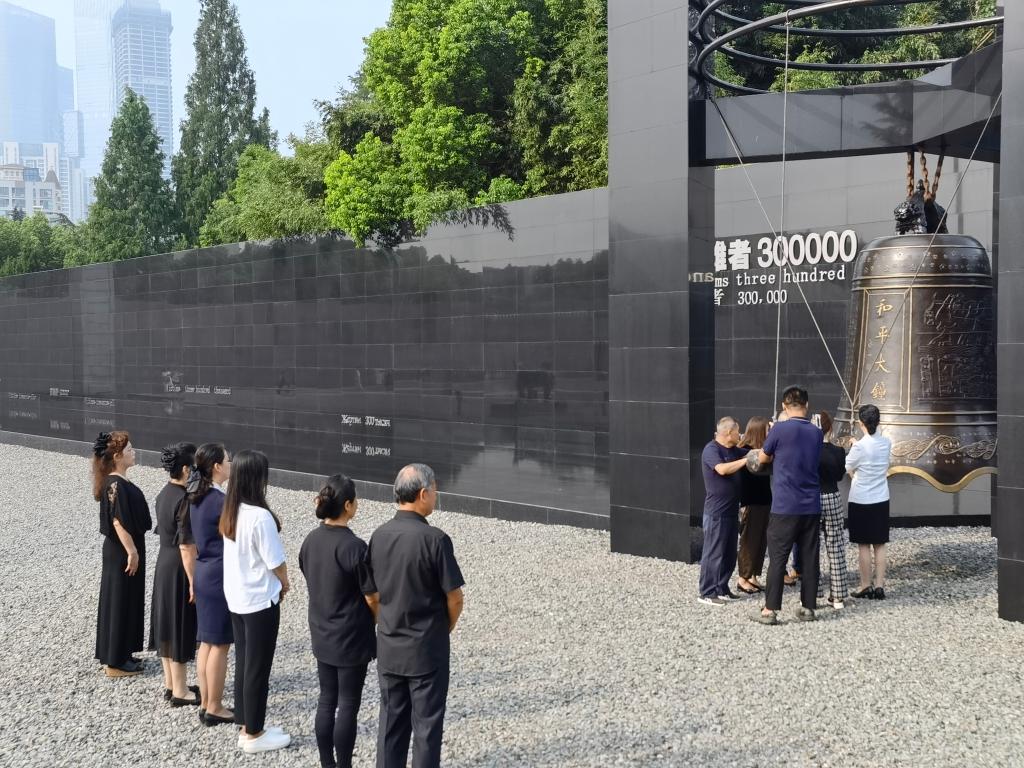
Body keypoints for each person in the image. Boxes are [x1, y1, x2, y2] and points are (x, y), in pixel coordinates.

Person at [364, 464, 465, 768]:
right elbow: (455, 598)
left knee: (391, 725)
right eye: (434, 490)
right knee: (427, 728)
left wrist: (385, 622)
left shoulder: (378, 536)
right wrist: (443, 629)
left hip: (390, 646)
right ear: (423, 494)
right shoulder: (436, 540)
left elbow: (371, 595)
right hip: (426, 649)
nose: (436, 495)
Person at [299, 474, 377, 768]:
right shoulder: (354, 547)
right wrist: (375, 619)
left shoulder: (311, 540)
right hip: (350, 636)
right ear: (347, 505)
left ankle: (326, 763)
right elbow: (372, 596)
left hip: (322, 630)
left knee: (326, 699)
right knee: (347, 704)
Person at [221, 450, 292, 754]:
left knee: (245, 662)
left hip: (238, 597)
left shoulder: (231, 509)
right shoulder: (259, 516)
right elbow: (276, 561)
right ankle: (254, 733)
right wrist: (285, 583)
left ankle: (246, 723)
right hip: (260, 600)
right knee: (258, 668)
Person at [756, 386, 823, 624]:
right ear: (807, 405)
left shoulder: (779, 429)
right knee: (810, 557)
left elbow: (763, 458)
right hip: (811, 505)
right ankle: (808, 607)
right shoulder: (817, 432)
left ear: (784, 406)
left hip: (785, 505)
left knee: (778, 558)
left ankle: (770, 610)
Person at [182, 443, 234, 725]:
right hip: (219, 574)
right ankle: (214, 705)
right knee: (220, 644)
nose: (230, 464)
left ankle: (206, 701)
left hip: (204, 571)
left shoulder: (197, 496)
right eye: (227, 460)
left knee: (206, 642)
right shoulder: (219, 500)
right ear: (216, 466)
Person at [94, 431, 152, 677]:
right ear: (117, 456)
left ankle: (123, 653)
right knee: (119, 599)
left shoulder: (117, 481)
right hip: (122, 551)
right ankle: (115, 662)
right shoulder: (115, 484)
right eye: (129, 450)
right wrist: (132, 551)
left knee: (127, 598)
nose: (133, 452)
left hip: (125, 549)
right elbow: (118, 521)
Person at [150, 442, 200, 704]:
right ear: (185, 469)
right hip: (179, 565)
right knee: (179, 623)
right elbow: (186, 545)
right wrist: (193, 580)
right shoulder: (184, 499)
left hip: (164, 563)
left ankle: (171, 683)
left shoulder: (164, 493)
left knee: (167, 622)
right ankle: (180, 691)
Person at [697, 417, 748, 605]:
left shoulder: (734, 450)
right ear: (728, 433)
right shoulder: (711, 450)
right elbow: (722, 469)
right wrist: (746, 461)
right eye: (737, 431)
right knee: (713, 553)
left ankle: (721, 587)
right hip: (716, 513)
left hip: (731, 511)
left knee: (728, 554)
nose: (739, 435)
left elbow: (753, 453)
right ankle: (707, 592)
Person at [846, 404, 893, 600]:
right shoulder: (886, 443)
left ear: (861, 423)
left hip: (861, 499)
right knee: (880, 544)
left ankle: (865, 585)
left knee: (864, 544)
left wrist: (854, 446)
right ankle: (880, 585)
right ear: (878, 422)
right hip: (881, 498)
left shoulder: (859, 447)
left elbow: (847, 467)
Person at [816, 412, 850, 609]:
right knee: (835, 545)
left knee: (812, 545)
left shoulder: (809, 451)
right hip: (833, 496)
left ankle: (812, 593)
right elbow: (839, 476)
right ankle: (838, 597)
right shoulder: (838, 451)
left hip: (812, 499)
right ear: (830, 429)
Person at [736, 416, 771, 594]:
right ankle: (743, 578)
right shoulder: (746, 452)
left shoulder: (761, 451)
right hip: (751, 502)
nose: (770, 432)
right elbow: (757, 468)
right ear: (759, 431)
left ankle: (753, 576)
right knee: (749, 541)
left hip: (764, 501)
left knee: (761, 541)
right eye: (767, 429)